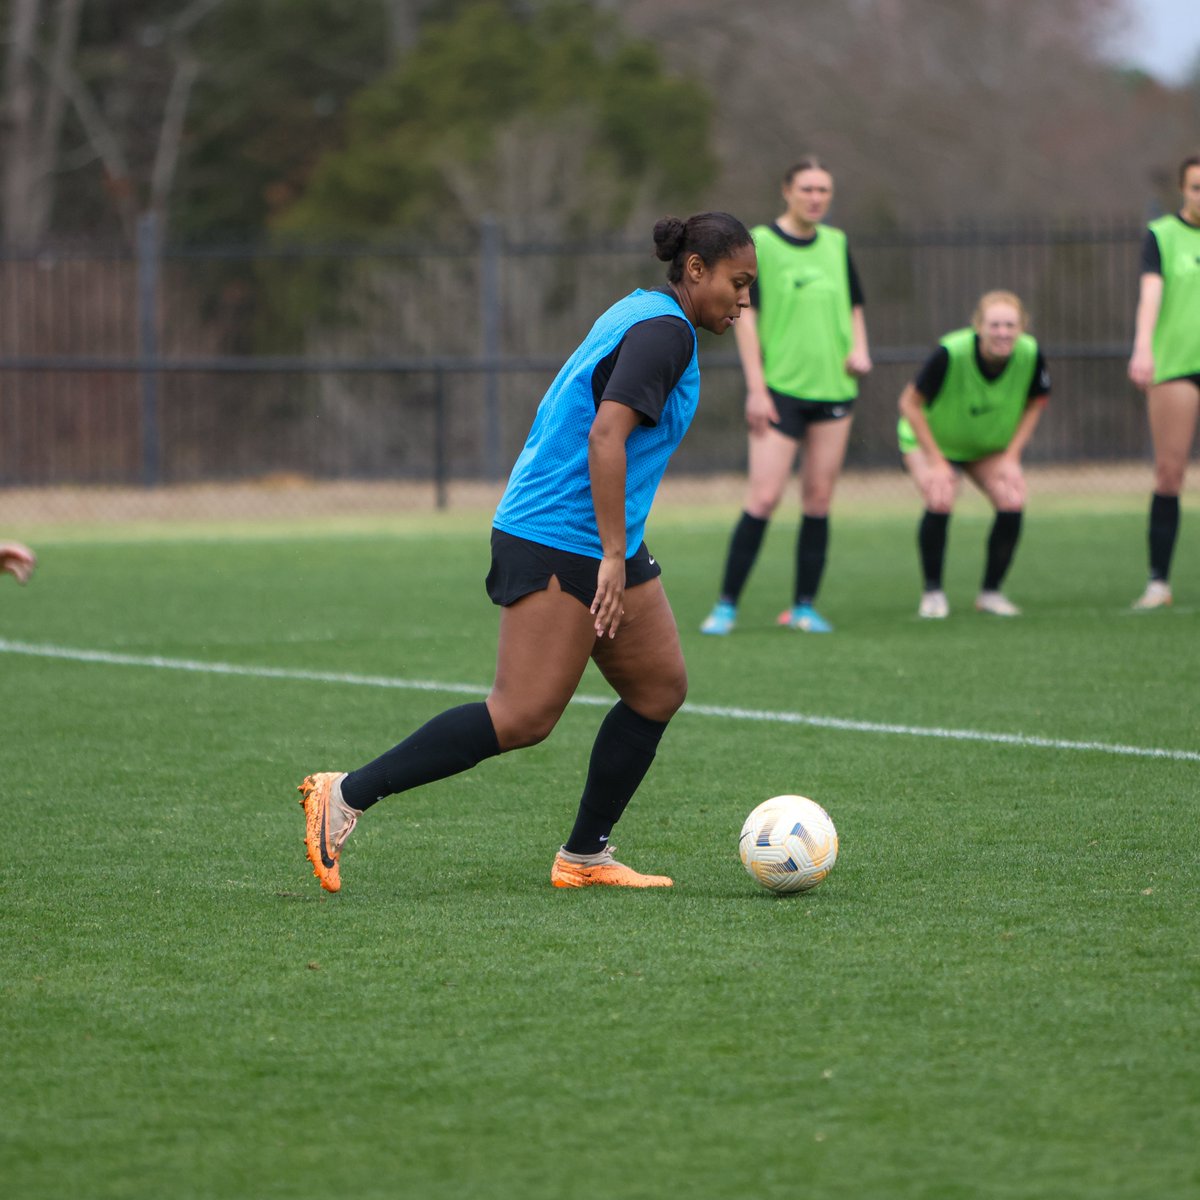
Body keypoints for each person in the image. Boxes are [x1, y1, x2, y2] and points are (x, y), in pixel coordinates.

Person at [296, 213, 757, 893]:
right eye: (737, 282)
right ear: (695, 270)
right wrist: (607, 554)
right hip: (560, 534)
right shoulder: (665, 333)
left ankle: (584, 856)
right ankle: (344, 794)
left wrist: (614, 549)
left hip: (600, 535)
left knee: (658, 687)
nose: (744, 301)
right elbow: (605, 438)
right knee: (521, 716)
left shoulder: (649, 313)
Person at [700, 156, 871, 636]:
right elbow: (745, 316)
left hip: (834, 389)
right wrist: (757, 389)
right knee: (765, 496)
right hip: (780, 392)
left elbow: (855, 304)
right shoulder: (763, 245)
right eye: (808, 189)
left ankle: (803, 606)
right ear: (787, 191)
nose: (816, 198)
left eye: (824, 190)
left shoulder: (836, 243)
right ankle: (726, 606)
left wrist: (860, 348)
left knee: (818, 498)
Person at [896, 290, 1051, 619]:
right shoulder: (950, 353)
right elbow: (909, 404)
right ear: (978, 326)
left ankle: (991, 593)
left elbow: (1037, 402)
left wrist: (1011, 457)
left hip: (984, 447)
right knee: (940, 497)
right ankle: (933, 593)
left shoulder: (1030, 353)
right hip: (933, 442)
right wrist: (937, 462)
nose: (1002, 333)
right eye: (994, 325)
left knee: (1012, 499)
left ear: (1022, 327)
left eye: (1010, 325)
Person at [1126, 153, 1200, 610]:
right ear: (1183, 190)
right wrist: (1143, 347)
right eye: (1196, 187)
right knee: (1169, 472)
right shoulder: (1162, 236)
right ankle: (1158, 583)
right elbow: (1150, 297)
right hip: (1177, 365)